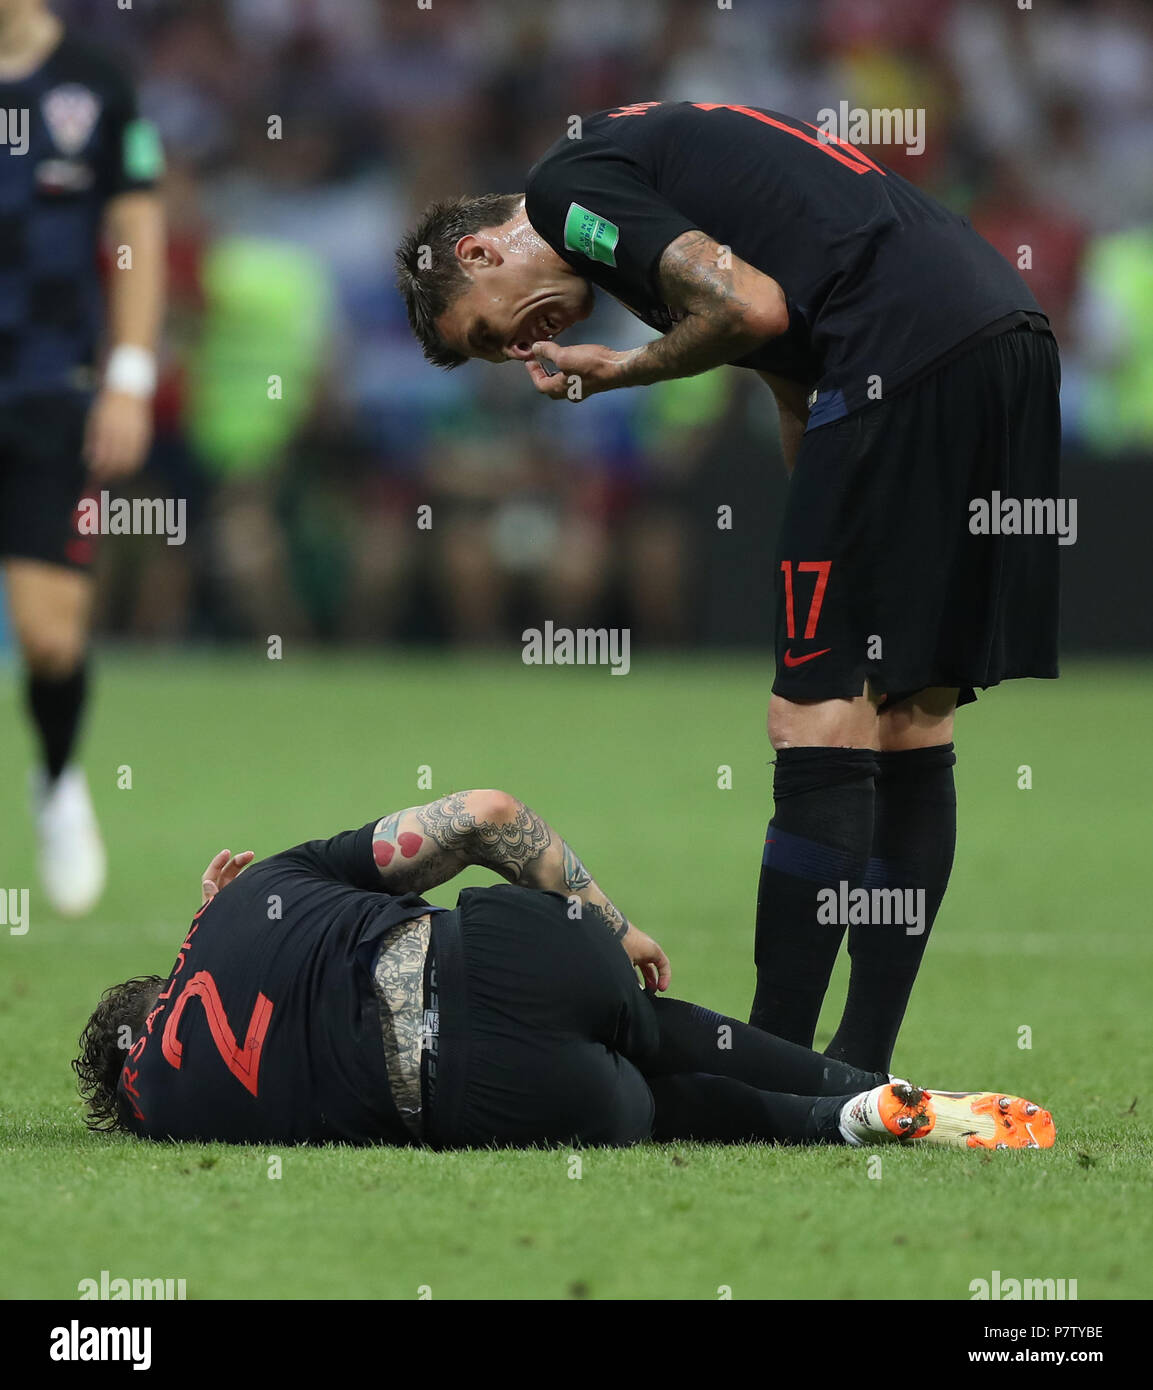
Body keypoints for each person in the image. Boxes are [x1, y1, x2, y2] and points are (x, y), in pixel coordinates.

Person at [395, 100, 1062, 1072]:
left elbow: (751, 310)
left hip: (901, 350)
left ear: (483, 253)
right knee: (911, 711)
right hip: (1000, 334)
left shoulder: (566, 188)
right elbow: (789, 371)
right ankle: (859, 1061)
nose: (517, 350)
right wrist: (830, 521)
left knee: (810, 717)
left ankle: (772, 1055)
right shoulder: (641, 195)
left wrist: (616, 373)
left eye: (490, 334)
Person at [74, 789, 1055, 1153]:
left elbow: (181, 1044)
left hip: (487, 1093)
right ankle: (881, 1089)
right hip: (521, 952)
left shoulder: (166, 1098)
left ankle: (838, 1123)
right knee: (652, 1025)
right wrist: (609, 921)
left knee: (649, 1103)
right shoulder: (255, 896)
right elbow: (486, 815)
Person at [0, 0, 165, 913]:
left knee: (51, 637)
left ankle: (57, 781)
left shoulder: (95, 82)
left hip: (52, 390)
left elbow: (137, 230)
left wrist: (130, 376)